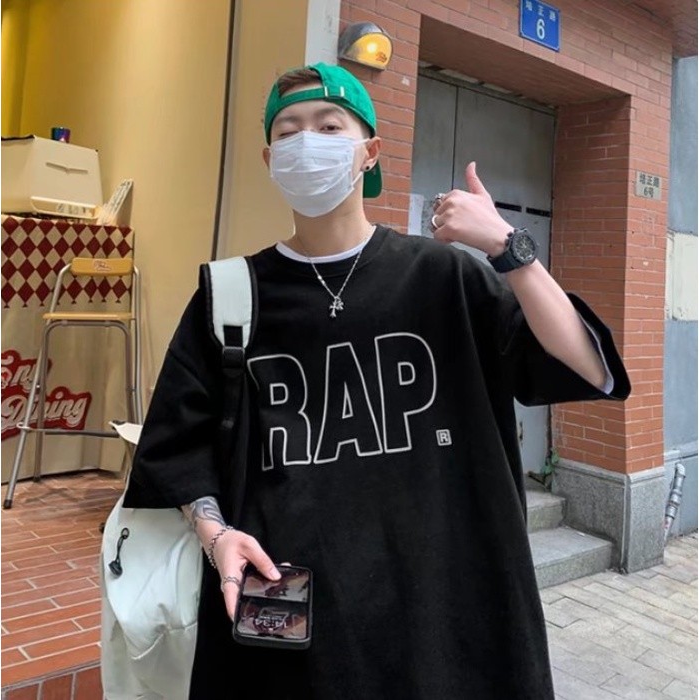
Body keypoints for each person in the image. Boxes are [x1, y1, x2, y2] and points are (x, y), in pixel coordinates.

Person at [123, 61, 631, 699]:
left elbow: (588, 367)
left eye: (328, 126)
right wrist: (216, 535)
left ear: (369, 151)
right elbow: (177, 445)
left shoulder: (446, 277)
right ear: (269, 159)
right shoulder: (229, 295)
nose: (307, 142)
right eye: (288, 131)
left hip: (445, 617)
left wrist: (508, 247)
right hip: (291, 616)